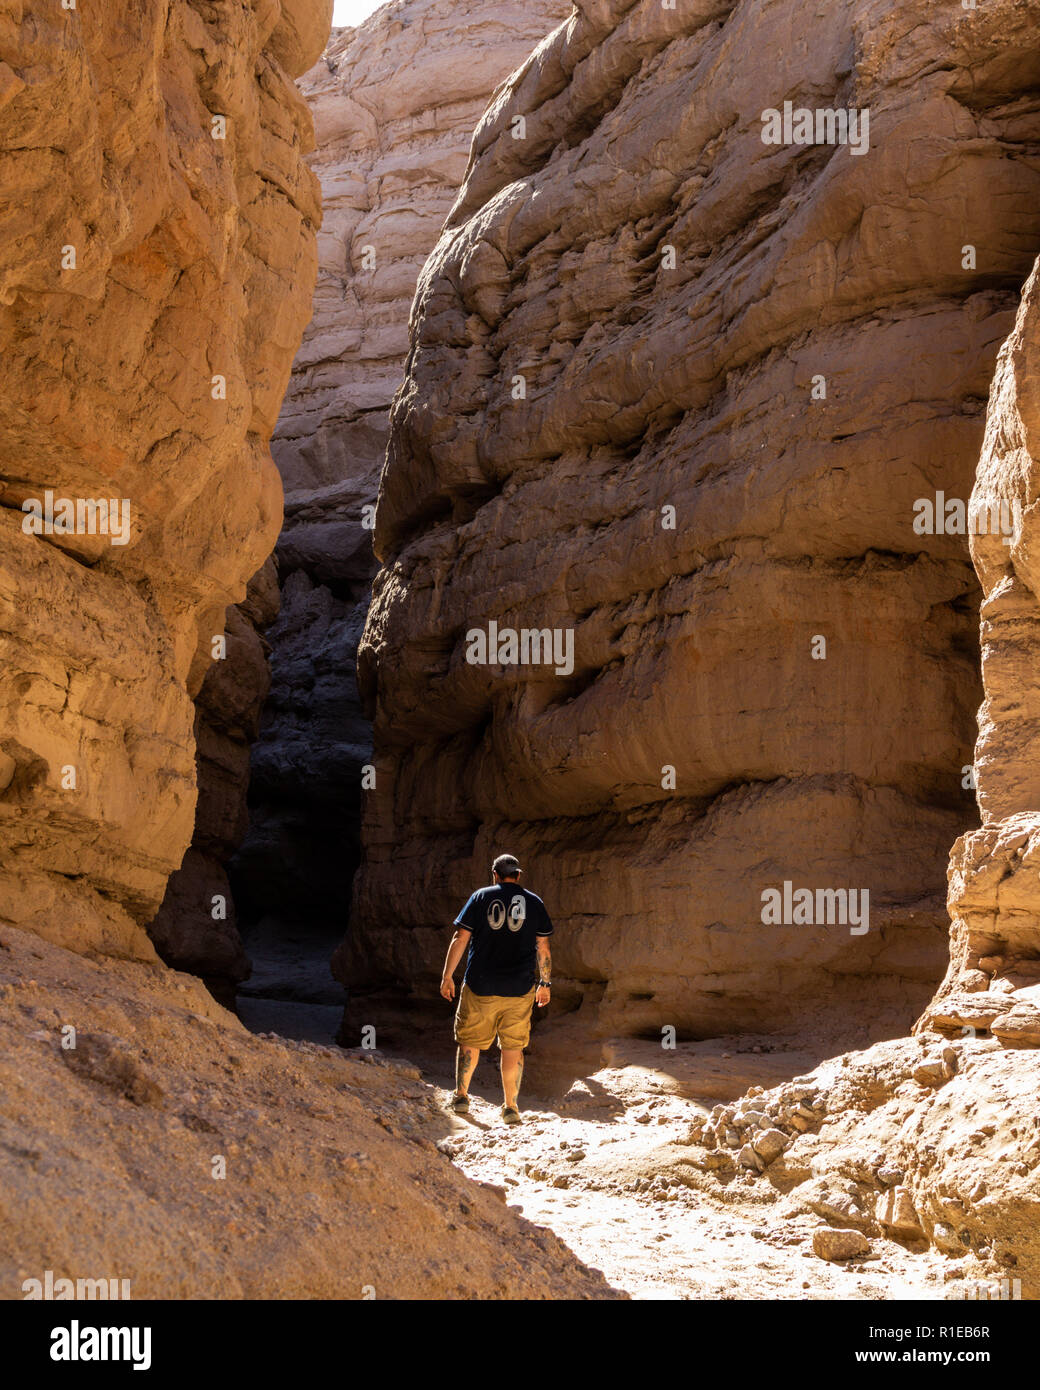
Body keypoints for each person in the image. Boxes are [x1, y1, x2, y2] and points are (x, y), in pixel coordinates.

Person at [439, 853, 553, 1124]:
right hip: (520, 988)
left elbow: (460, 937)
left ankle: (461, 1097)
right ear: (518, 875)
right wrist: (545, 983)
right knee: (512, 1048)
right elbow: (543, 948)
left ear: (495, 874)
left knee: (470, 1041)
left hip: (481, 985)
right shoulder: (534, 903)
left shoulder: (480, 897)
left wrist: (447, 976)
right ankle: (511, 1107)